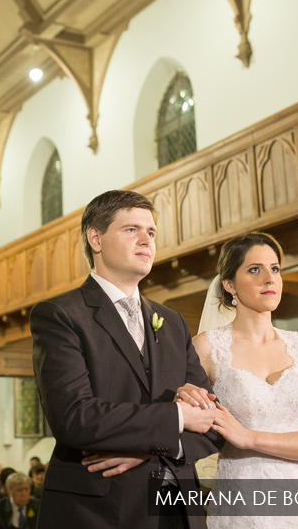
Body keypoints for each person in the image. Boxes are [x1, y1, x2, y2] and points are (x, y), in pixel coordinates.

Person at [31, 190, 222, 529]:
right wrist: (178, 415)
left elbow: (212, 423)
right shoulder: (61, 315)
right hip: (101, 512)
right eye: (131, 229)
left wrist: (150, 449)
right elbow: (75, 417)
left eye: (151, 232)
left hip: (178, 510)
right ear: (96, 238)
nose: (146, 239)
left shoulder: (172, 321)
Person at [190, 232, 298, 528]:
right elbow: (181, 419)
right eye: (255, 269)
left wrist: (248, 437)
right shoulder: (206, 348)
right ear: (229, 284)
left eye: (275, 268)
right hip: (242, 498)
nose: (270, 279)